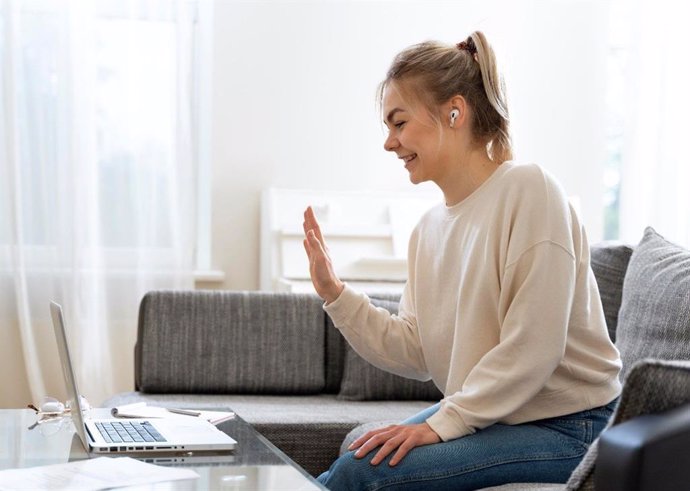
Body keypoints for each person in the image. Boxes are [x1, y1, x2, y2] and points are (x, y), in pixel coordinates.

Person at [302, 31, 622, 491]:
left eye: (399, 123)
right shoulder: (427, 230)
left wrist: (440, 424)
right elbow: (414, 350)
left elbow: (533, 347)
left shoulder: (530, 191)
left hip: (574, 425)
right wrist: (334, 294)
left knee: (363, 473)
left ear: (454, 112)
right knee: (359, 456)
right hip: (502, 414)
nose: (389, 143)